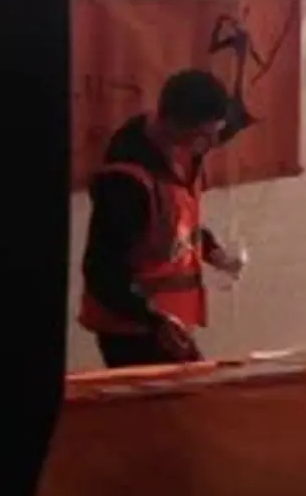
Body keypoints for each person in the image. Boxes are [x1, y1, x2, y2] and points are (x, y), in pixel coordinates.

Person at [78, 69, 245, 368]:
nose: (210, 143)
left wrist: (213, 251)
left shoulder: (182, 153)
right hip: (132, 328)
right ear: (176, 125)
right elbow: (101, 271)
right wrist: (153, 319)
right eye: (204, 135)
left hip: (170, 323)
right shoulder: (125, 181)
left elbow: (175, 221)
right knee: (173, 409)